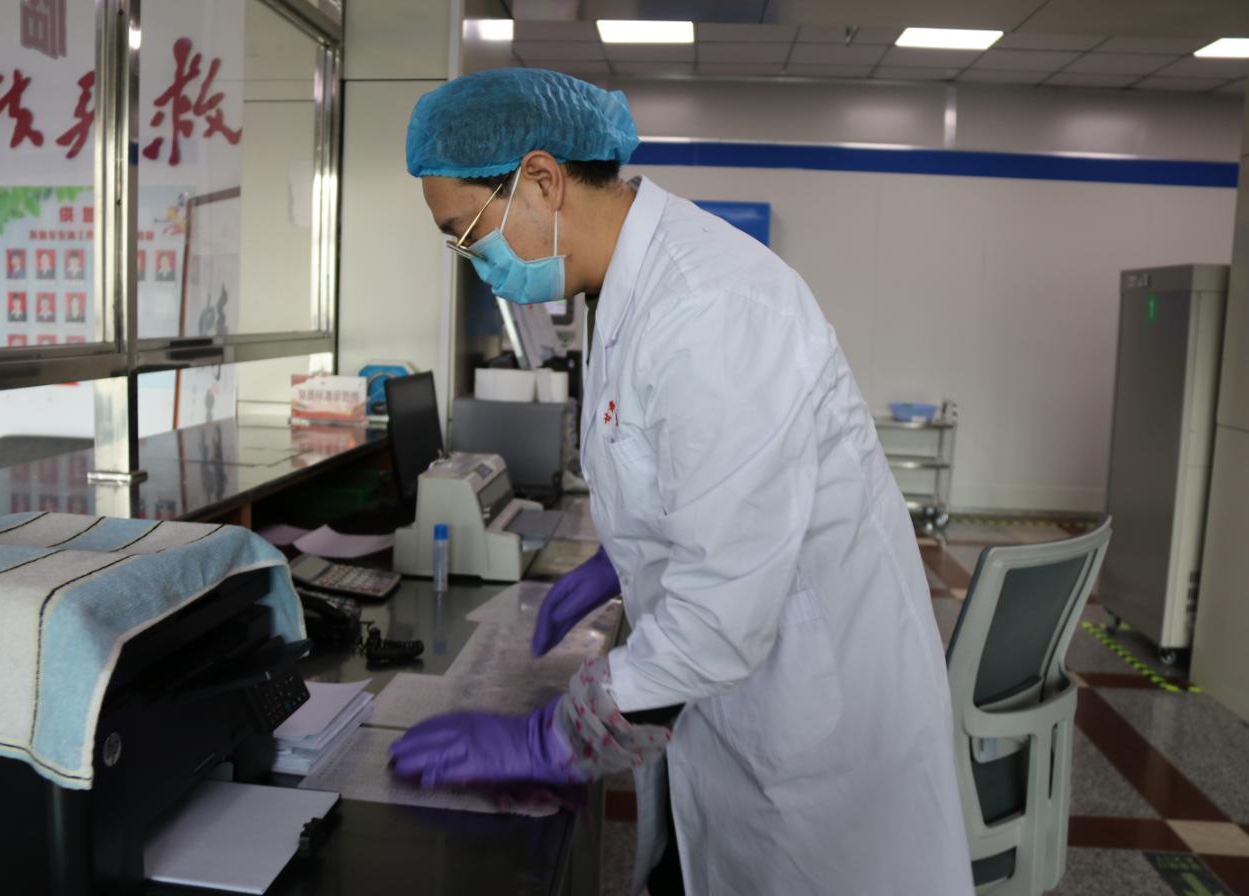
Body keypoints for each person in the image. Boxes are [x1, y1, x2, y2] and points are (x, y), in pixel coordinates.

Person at [390, 68, 973, 895]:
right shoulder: (623, 286)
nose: (471, 261)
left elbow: (719, 617)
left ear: (543, 180)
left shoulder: (710, 307)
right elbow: (690, 476)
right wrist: (622, 559)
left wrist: (550, 741)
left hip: (817, 735)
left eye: (467, 233)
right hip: (741, 709)